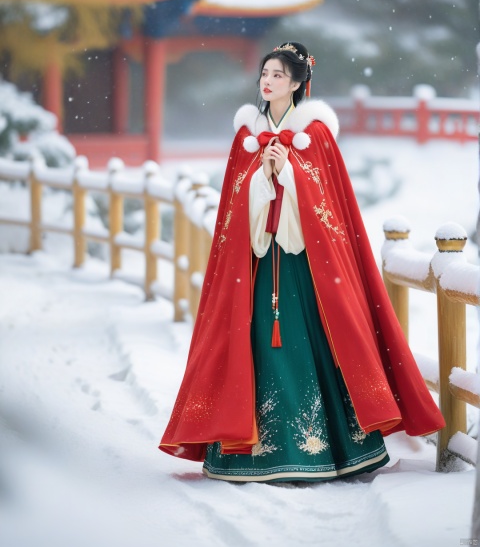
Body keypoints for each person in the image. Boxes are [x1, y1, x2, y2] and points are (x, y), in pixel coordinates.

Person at [159, 42, 445, 483]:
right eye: (264, 74)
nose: (267, 81)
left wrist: (288, 172)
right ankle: (250, 451)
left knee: (309, 347)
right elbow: (234, 208)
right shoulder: (246, 137)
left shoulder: (317, 136)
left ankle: (324, 451)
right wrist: (262, 176)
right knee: (255, 345)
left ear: (296, 84)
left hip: (307, 268)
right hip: (257, 264)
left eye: (277, 75)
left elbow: (326, 208)